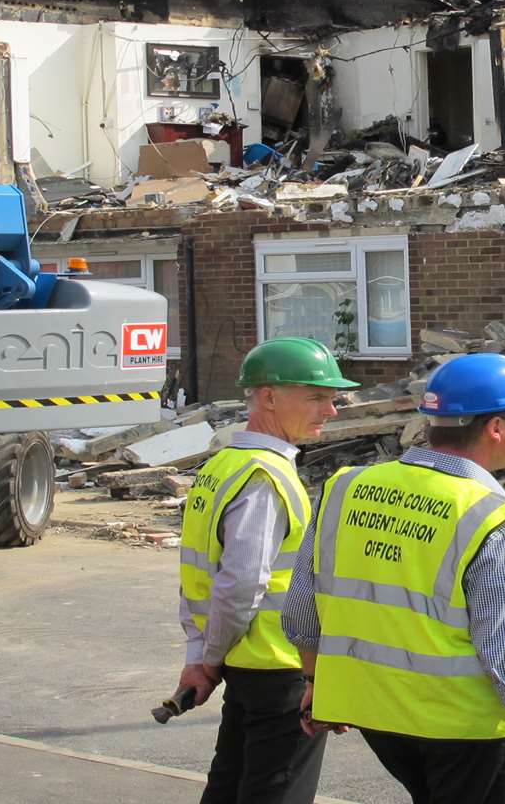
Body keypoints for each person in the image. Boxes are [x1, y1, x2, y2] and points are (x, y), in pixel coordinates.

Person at [281, 352, 505, 804]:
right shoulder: (495, 521)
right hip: (467, 730)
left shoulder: (345, 488)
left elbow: (301, 608)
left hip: (377, 716)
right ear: (496, 428)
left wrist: (316, 682)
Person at [177, 336, 359, 804]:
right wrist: (208, 658)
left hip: (246, 664)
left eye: (332, 399)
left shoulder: (223, 465)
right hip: (281, 668)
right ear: (269, 397)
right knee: (274, 793)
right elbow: (240, 583)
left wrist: (202, 655)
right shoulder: (265, 477)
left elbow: (199, 573)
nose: (331, 410)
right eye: (317, 397)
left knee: (230, 785)